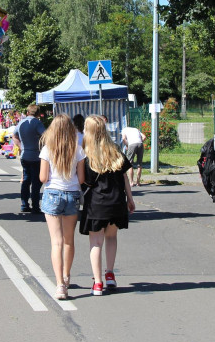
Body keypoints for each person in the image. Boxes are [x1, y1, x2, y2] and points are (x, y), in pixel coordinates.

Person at [80, 115, 135, 296]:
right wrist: (130, 198)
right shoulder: (115, 150)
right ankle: (110, 274)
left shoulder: (86, 153)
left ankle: (97, 283)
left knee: (96, 242)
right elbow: (125, 176)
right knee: (111, 238)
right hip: (117, 200)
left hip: (96, 203)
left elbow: (84, 181)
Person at [39, 114, 87, 299]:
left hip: (52, 194)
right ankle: (67, 275)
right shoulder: (78, 149)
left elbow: (43, 178)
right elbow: (81, 179)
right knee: (69, 240)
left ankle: (60, 285)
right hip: (72, 194)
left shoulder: (47, 149)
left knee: (56, 242)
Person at [13, 104, 46, 213]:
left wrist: (20, 146)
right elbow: (45, 135)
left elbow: (14, 135)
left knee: (26, 180)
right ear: (37, 114)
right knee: (36, 182)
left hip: (25, 154)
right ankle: (35, 206)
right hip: (35, 155)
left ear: (27, 112)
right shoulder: (37, 123)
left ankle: (24, 204)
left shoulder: (21, 123)